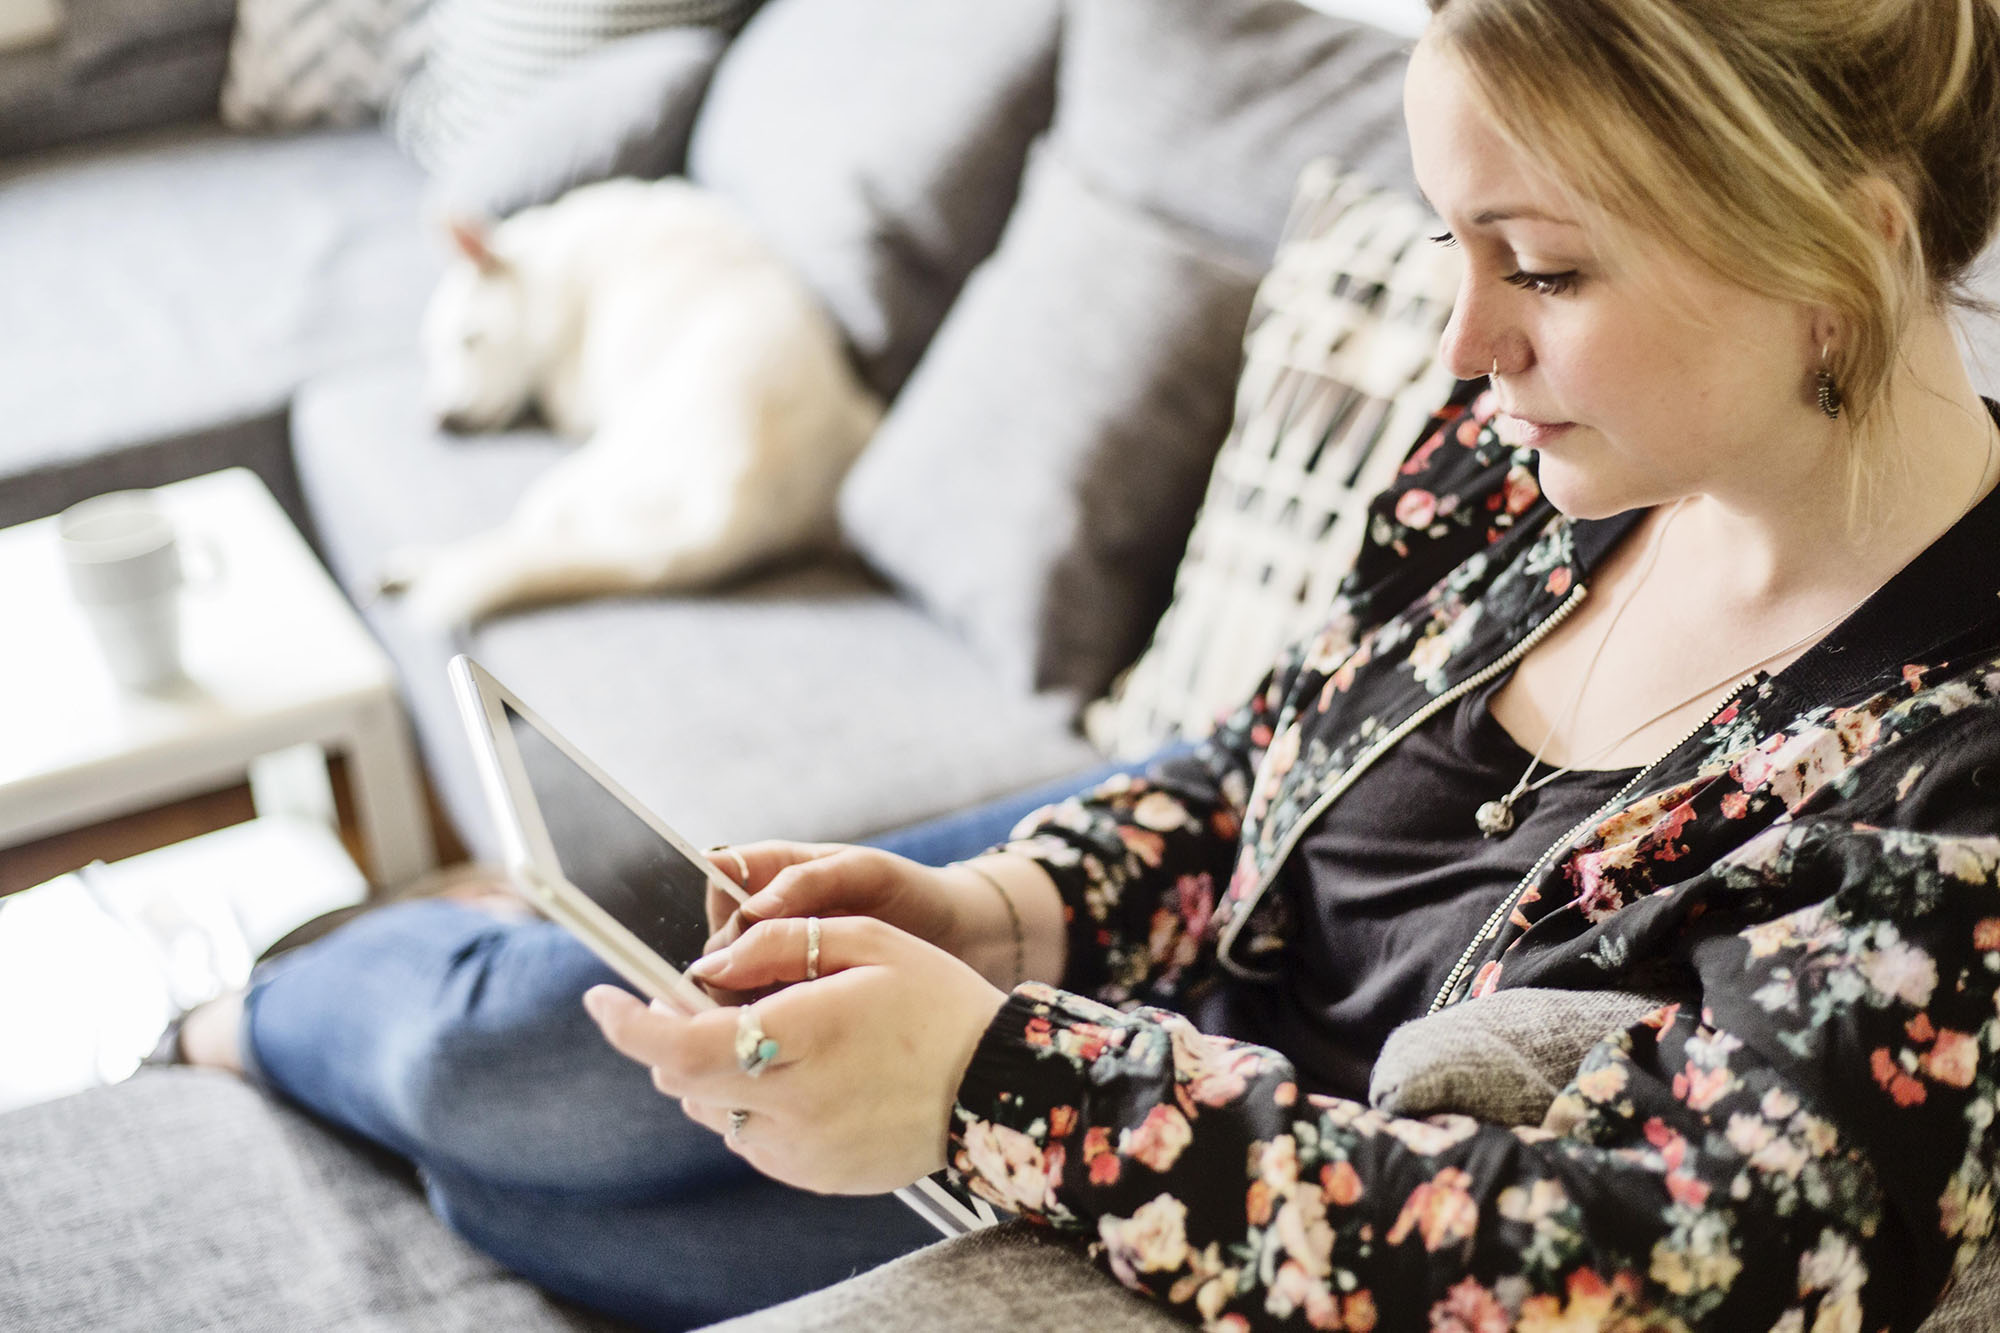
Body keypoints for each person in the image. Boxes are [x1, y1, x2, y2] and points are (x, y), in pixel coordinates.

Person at [183, 0, 2000, 1328]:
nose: (1464, 340)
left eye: (1540, 268)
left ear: (1837, 248)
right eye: (1460, 246)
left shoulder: (1954, 784)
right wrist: (1010, 912)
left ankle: (300, 1044)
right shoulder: (1529, 463)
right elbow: (1270, 754)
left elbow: (1693, 1266)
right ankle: (253, 1002)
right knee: (528, 1048)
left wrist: (994, 1077)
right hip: (1129, 1031)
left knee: (598, 1194)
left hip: (1200, 1178)